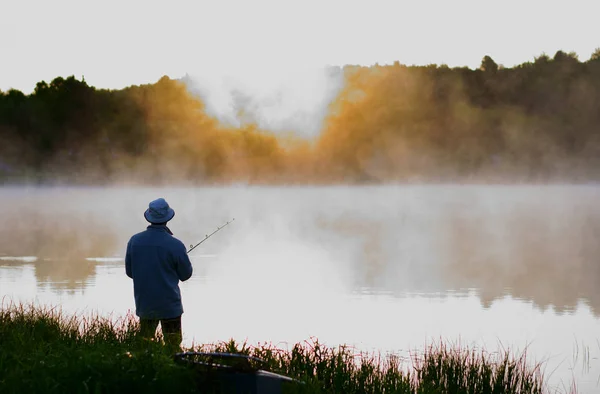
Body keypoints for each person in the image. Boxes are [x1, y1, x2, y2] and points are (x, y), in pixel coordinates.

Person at [125, 198, 193, 348]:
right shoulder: (176, 245)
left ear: (149, 217)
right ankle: (171, 369)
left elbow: (130, 272)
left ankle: (146, 368)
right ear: (168, 218)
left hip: (145, 305)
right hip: (170, 306)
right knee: (173, 345)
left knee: (144, 344)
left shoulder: (134, 241)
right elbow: (186, 275)